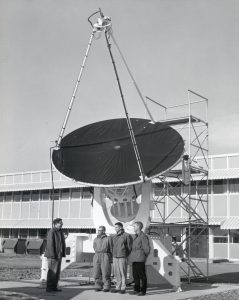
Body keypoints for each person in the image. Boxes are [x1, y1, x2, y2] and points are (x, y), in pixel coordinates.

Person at [44, 218, 66, 293]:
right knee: (52, 272)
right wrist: (53, 255)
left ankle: (54, 287)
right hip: (53, 255)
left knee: (57, 272)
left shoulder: (60, 232)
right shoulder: (52, 232)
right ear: (56, 224)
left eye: (61, 222)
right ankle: (49, 287)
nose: (62, 224)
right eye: (60, 223)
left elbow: (62, 244)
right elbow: (50, 244)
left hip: (58, 255)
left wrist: (62, 254)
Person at [111, 222, 132, 294]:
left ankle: (123, 288)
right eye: (115, 227)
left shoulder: (127, 236)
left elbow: (129, 247)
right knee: (117, 273)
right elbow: (112, 246)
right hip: (115, 257)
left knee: (123, 272)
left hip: (122, 256)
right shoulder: (114, 236)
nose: (115, 228)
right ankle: (118, 287)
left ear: (120, 227)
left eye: (116, 227)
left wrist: (125, 254)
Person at [130, 221, 150, 296]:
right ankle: (136, 289)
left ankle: (143, 291)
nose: (133, 228)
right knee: (135, 275)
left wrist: (143, 256)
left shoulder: (143, 236)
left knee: (142, 275)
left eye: (134, 226)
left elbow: (147, 249)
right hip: (134, 258)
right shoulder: (135, 236)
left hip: (140, 257)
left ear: (138, 226)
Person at [93, 226, 112, 292]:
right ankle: (98, 286)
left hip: (105, 255)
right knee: (96, 271)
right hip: (97, 255)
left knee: (105, 271)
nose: (98, 231)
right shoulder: (95, 239)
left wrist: (110, 257)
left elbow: (111, 248)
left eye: (100, 230)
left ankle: (106, 286)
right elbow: (94, 247)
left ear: (103, 231)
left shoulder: (108, 238)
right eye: (98, 230)